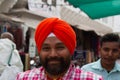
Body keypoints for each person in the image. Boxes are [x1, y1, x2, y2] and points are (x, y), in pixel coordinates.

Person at [15, 17, 103, 80]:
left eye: (60, 47)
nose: (53, 54)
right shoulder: (24, 78)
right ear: (39, 51)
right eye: (46, 48)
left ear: (71, 49)